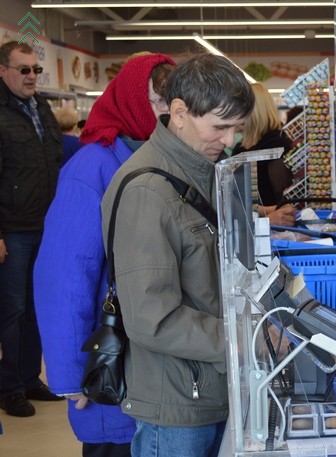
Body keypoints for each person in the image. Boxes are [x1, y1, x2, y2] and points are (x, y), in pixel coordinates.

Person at [100, 53, 254, 457]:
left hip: (207, 386)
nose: (230, 141)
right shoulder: (148, 191)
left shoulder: (206, 173)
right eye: (220, 127)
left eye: (236, 129)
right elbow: (152, 317)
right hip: (177, 405)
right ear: (180, 112)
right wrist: (238, 339)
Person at [34, 53, 176, 457]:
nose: (167, 113)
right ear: (131, 99)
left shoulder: (160, 159)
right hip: (107, 373)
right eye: (157, 101)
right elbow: (63, 278)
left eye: (174, 102)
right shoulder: (92, 167)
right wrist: (68, 375)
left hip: (151, 375)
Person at [0, 41, 64, 418]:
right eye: (23, 70)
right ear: (3, 71)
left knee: (37, 309)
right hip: (13, 230)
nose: (30, 76)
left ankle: (28, 378)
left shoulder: (42, 108)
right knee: (11, 311)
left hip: (45, 226)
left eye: (35, 70)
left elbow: (54, 162)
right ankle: (8, 387)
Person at [232, 83, 296, 227]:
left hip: (278, 229)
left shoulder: (277, 145)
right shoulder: (240, 147)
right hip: (252, 226)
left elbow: (281, 199)